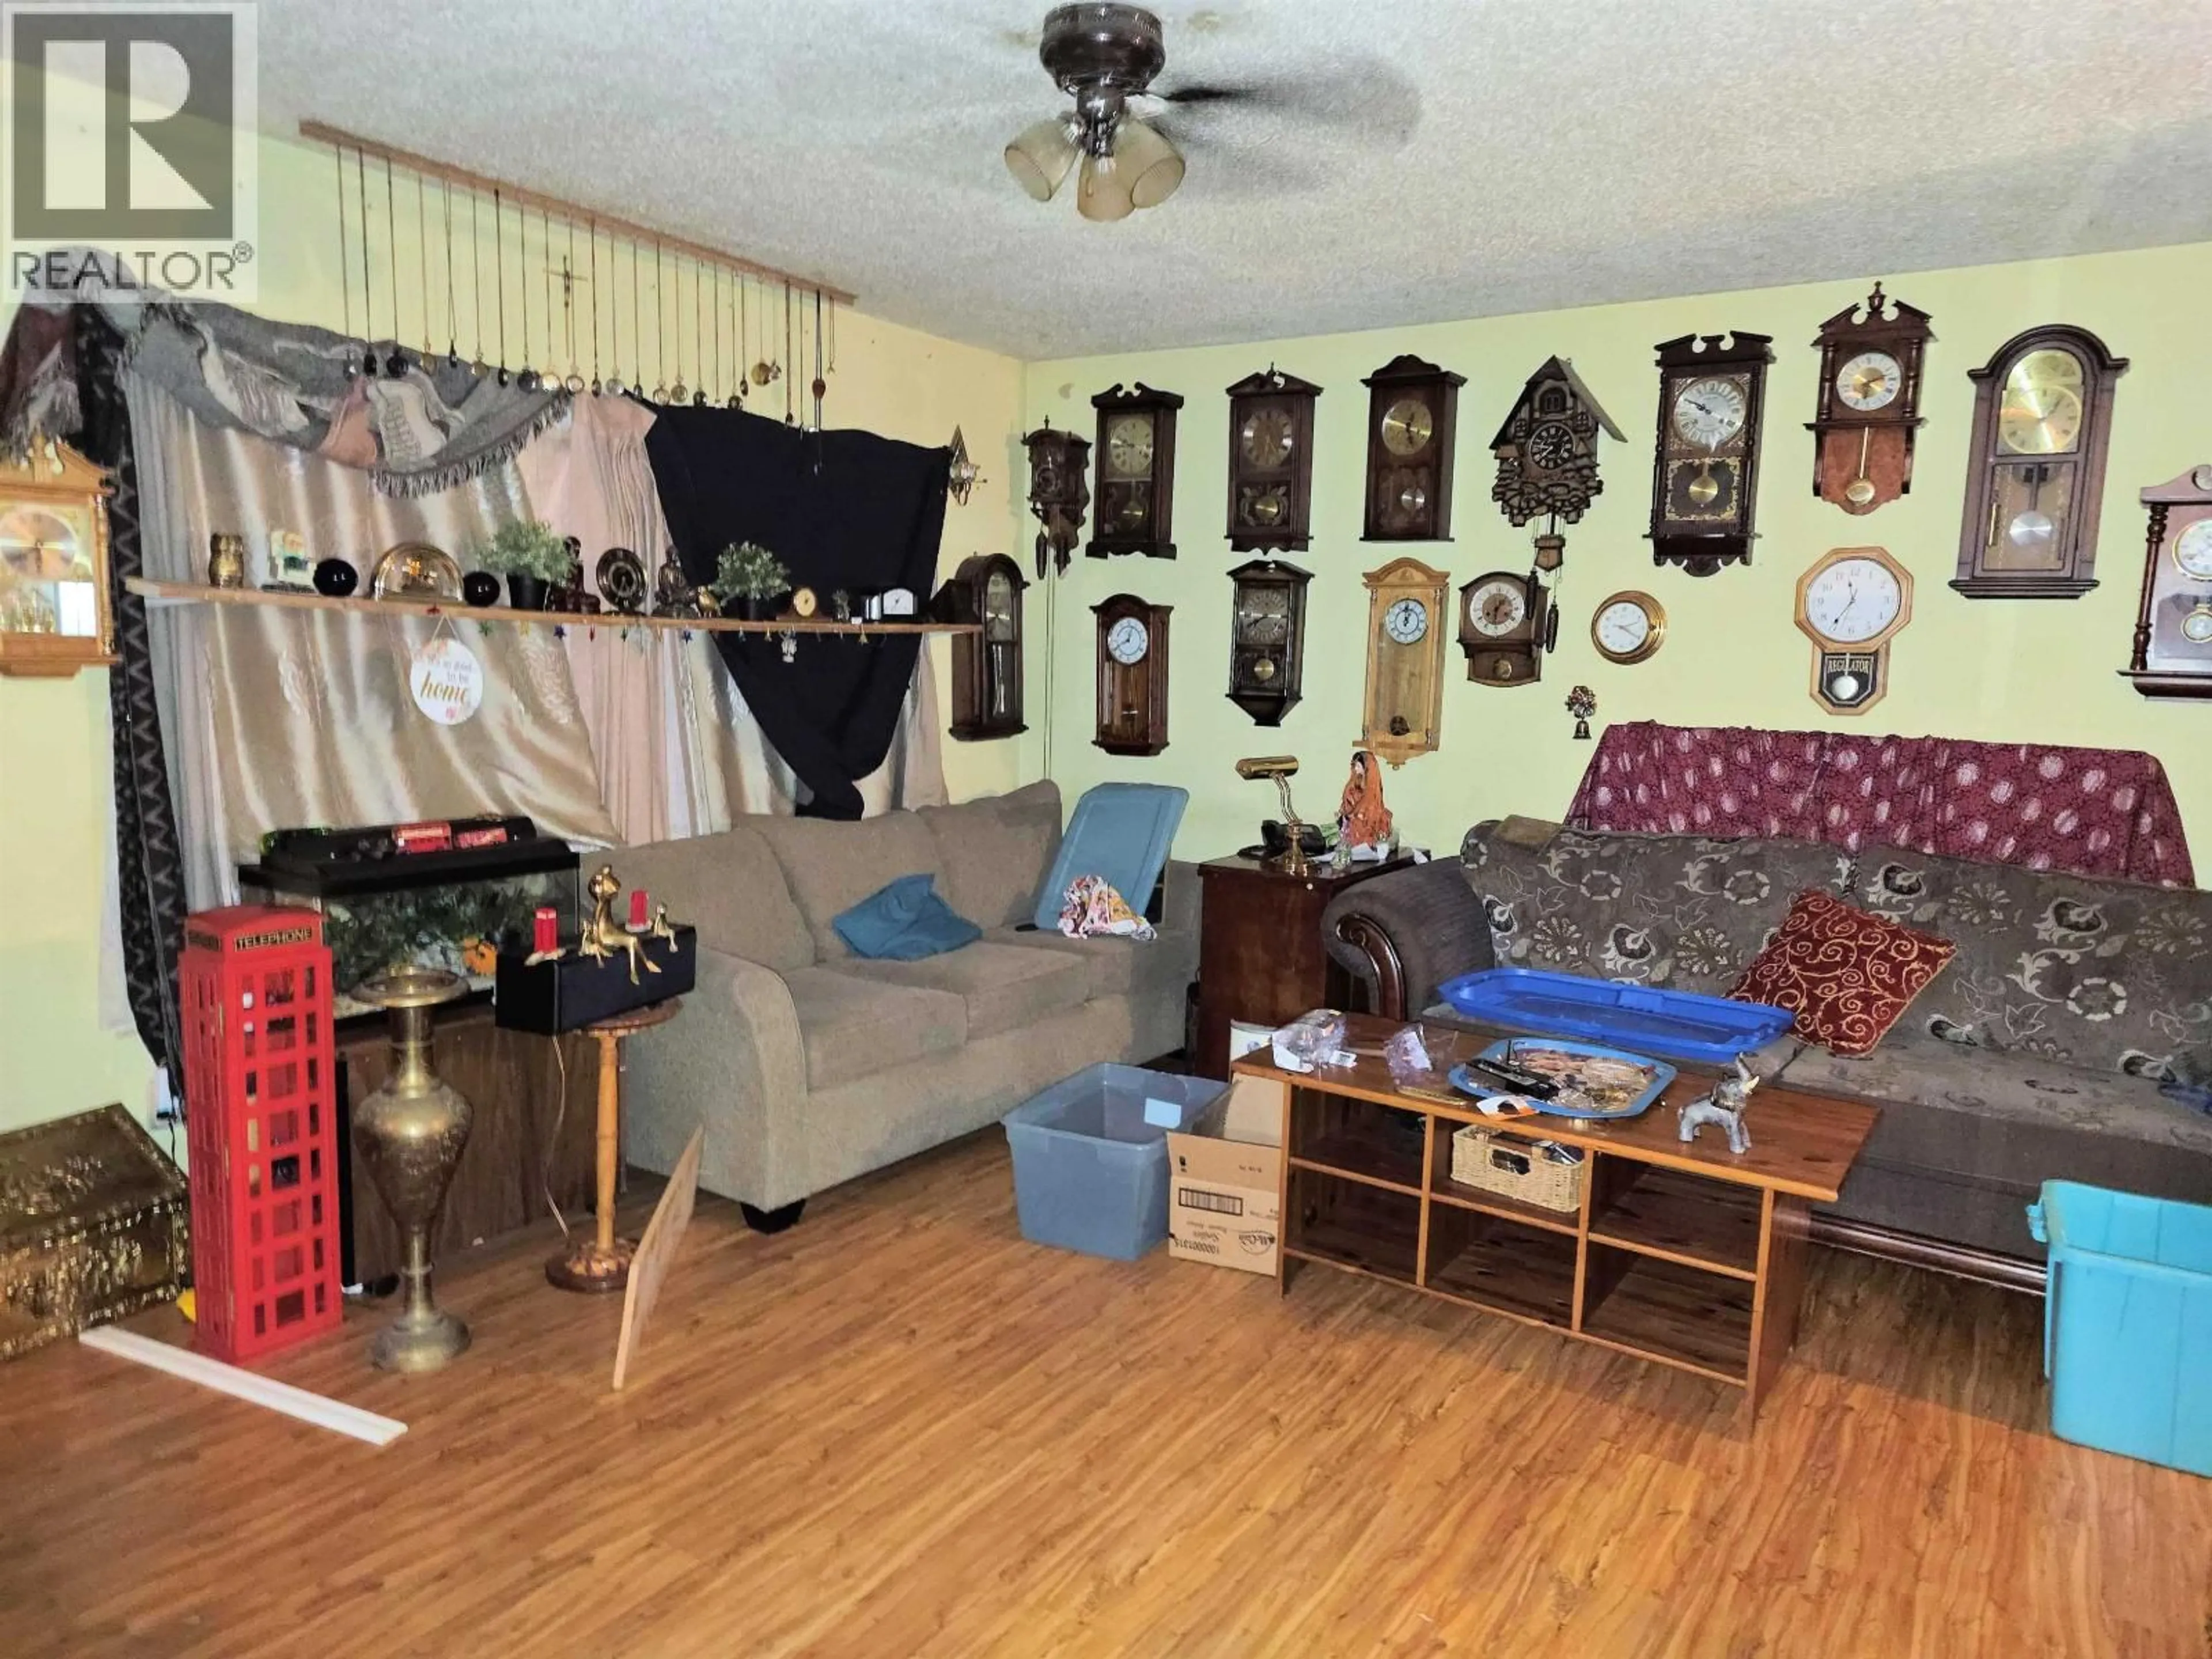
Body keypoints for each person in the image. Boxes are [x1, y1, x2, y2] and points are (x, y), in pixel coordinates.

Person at [1336, 748, 1393, 856]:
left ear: (1366, 768)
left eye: (1358, 766)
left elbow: (1375, 807)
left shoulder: (1373, 787)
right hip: (1352, 826)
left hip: (1368, 826)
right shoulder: (1353, 785)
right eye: (1355, 766)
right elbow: (1347, 806)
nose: (1356, 769)